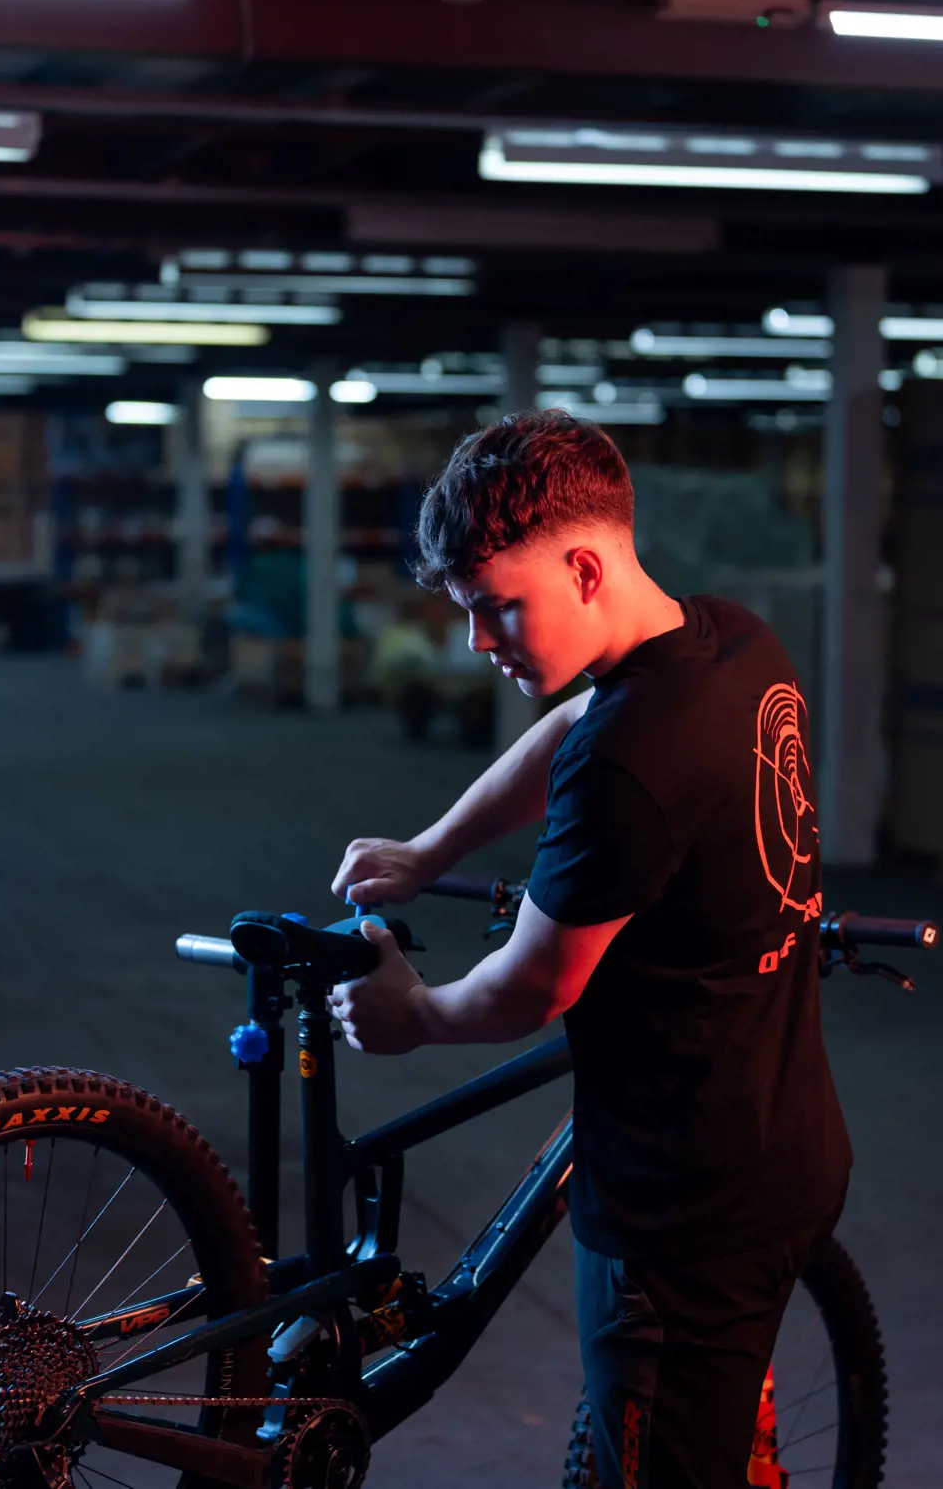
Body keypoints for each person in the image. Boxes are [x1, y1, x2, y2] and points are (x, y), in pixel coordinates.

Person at [329, 408, 852, 1489]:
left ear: (579, 565)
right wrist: (432, 849)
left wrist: (411, 1012)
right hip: (789, 1147)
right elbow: (581, 726)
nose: (478, 640)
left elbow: (534, 983)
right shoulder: (731, 639)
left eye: (495, 606)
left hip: (678, 1216)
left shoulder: (631, 764)